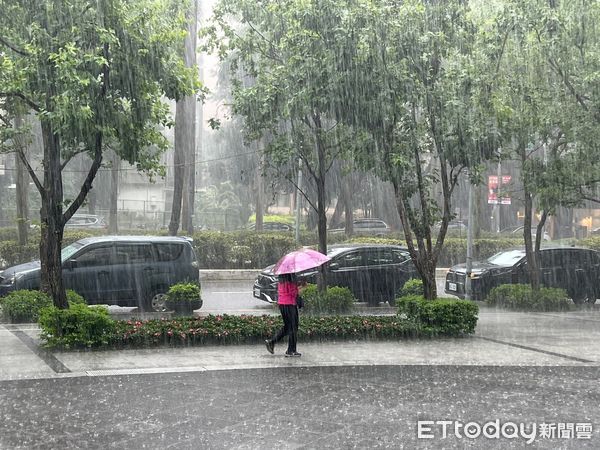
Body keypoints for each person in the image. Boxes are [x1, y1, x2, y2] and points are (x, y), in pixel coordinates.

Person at [265, 273, 304, 357]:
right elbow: (293, 293)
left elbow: (283, 291)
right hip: (290, 304)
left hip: (282, 304)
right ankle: (291, 350)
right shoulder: (291, 278)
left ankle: (272, 342)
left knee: (287, 327)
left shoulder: (282, 277)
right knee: (293, 327)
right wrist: (301, 288)